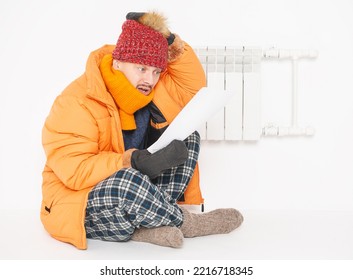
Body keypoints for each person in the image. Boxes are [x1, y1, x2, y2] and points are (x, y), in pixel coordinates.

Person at [40, 11, 243, 250]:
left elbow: (193, 88)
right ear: (118, 63)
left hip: (135, 198)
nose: (150, 78)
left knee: (187, 138)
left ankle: (148, 225)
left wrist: (169, 41)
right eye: (142, 69)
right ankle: (187, 223)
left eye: (157, 71)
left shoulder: (148, 91)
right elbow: (75, 171)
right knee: (128, 181)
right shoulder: (77, 101)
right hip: (82, 205)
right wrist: (131, 161)